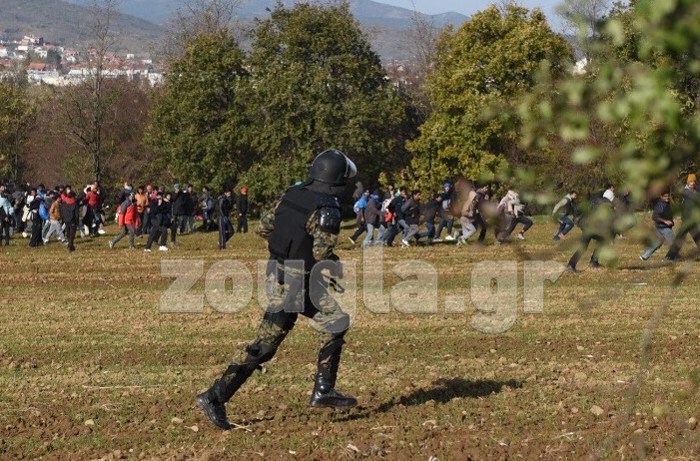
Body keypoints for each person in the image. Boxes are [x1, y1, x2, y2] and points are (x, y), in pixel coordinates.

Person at [197, 149, 358, 430]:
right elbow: (322, 252)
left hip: (280, 275)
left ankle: (324, 390)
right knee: (264, 346)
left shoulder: (292, 194)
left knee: (335, 321)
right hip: (295, 284)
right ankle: (214, 396)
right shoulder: (328, 208)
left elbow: (264, 228)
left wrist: (287, 251)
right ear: (338, 179)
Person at [566, 189, 616, 272]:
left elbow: (580, 209)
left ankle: (574, 264)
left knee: (584, 247)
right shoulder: (608, 206)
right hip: (595, 229)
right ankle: (589, 262)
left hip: (587, 227)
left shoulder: (594, 201)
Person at [664, 173, 700, 261]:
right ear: (688, 182)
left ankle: (669, 257)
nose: (693, 183)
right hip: (687, 220)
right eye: (691, 181)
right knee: (680, 238)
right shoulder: (686, 192)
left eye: (694, 181)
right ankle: (669, 257)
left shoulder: (695, 191)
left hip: (693, 220)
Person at [640, 190, 674, 261]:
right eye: (665, 196)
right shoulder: (660, 205)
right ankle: (670, 258)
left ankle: (644, 256)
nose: (667, 197)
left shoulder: (666, 203)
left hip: (660, 228)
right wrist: (666, 221)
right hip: (664, 228)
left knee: (658, 243)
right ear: (661, 197)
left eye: (668, 196)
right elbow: (654, 217)